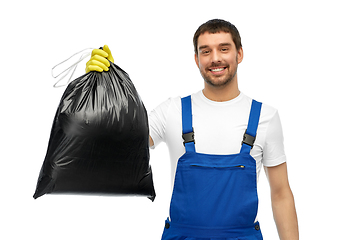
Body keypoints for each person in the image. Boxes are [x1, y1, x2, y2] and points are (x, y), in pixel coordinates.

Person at [86, 19, 299, 240]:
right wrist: (102, 87)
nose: (215, 58)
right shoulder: (172, 111)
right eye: (206, 51)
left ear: (239, 54)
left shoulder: (266, 117)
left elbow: (281, 193)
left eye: (224, 49)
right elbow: (120, 144)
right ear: (197, 59)